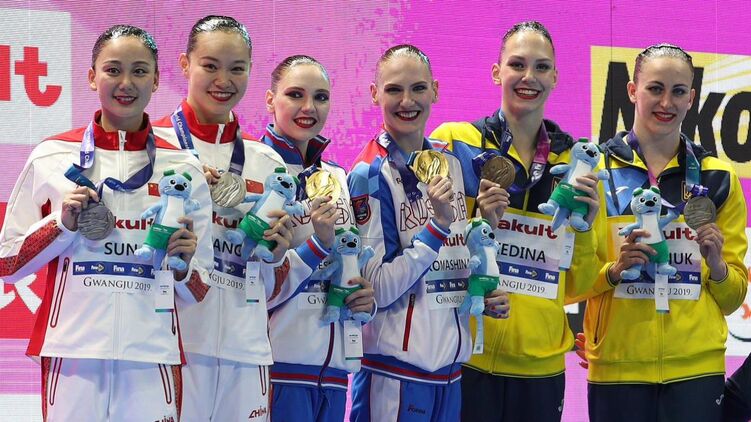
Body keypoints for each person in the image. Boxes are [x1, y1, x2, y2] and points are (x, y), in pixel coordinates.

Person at [0, 25, 213, 421]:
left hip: (152, 355)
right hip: (72, 352)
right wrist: (61, 225)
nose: (126, 83)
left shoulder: (184, 167)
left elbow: (201, 288)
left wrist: (183, 266)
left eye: (139, 71)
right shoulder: (51, 155)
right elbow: (7, 263)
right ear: (91, 76)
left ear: (156, 80)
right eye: (113, 69)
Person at [430, 21, 606, 421]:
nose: (529, 77)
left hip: (539, 368)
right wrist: (478, 222)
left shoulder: (576, 164)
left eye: (541, 67)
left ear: (555, 77)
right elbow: (426, 251)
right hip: (462, 356)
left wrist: (582, 233)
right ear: (497, 72)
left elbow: (578, 286)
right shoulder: (454, 142)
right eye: (517, 64)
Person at [582, 43, 748, 422]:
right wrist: (613, 271)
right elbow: (572, 280)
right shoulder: (595, 171)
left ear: (691, 98)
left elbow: (732, 298)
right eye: (655, 88)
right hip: (617, 367)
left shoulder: (719, 177)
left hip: (696, 370)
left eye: (678, 91)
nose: (666, 103)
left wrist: (718, 266)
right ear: (632, 91)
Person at [348, 44, 511, 422]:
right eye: (394, 89)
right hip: (395, 374)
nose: (407, 101)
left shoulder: (450, 161)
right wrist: (436, 227)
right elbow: (378, 290)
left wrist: (482, 285)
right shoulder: (368, 174)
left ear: (435, 90)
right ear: (374, 94)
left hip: (449, 374)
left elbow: (451, 257)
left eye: (418, 88)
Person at [151, 16, 301, 421]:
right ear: (185, 64)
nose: (224, 80)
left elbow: (274, 286)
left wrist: (277, 255)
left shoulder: (267, 162)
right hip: (170, 346)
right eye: (210, 65)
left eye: (237, 68)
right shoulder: (154, 148)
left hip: (246, 350)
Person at [256, 55, 376, 421]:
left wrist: (363, 299)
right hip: (278, 370)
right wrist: (317, 245)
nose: (309, 107)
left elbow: (348, 265)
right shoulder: (254, 169)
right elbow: (253, 279)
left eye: (320, 97)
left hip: (335, 374)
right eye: (296, 94)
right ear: (270, 99)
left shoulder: (338, 176)